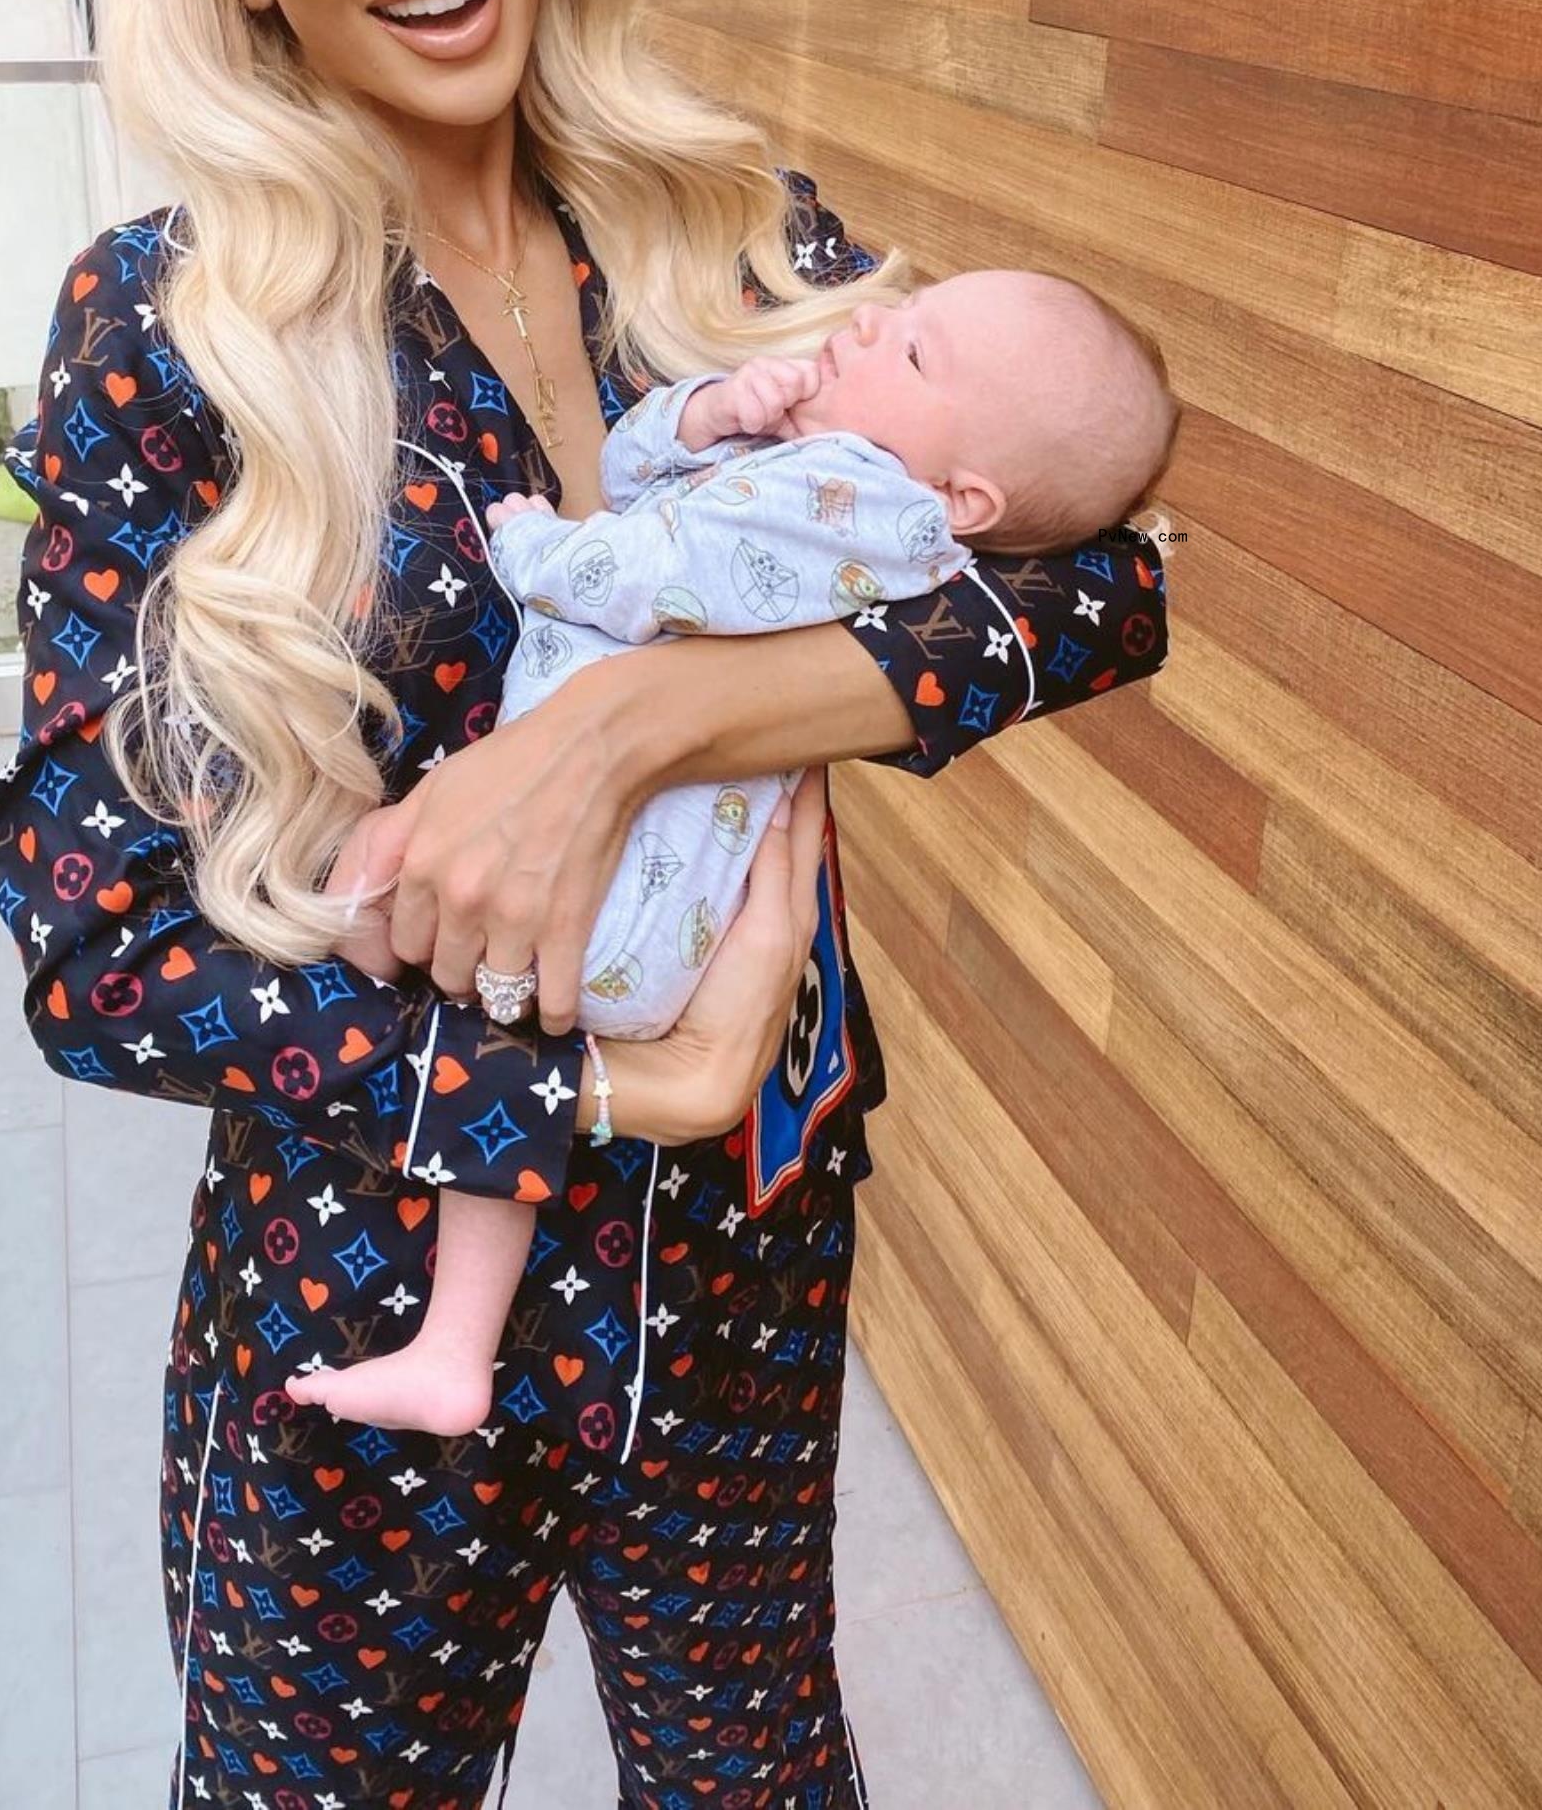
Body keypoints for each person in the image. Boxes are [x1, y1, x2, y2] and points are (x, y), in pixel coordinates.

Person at [0, 0, 1173, 1810]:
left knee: (760, 1781)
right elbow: (90, 931)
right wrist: (607, 1096)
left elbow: (1101, 580)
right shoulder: (171, 322)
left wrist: (637, 723)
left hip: (749, 1239)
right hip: (373, 1269)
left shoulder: (724, 224)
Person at [287, 273, 1179, 1435]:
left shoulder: (852, 497)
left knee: (368, 879)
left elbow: (649, 572)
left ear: (964, 494)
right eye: (897, 314)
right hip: (648, 932)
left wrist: (536, 548)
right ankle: (455, 1347)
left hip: (599, 897)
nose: (866, 322)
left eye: (913, 353)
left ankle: (361, 1010)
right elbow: (652, 482)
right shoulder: (848, 480)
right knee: (491, 1064)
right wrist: (710, 412)